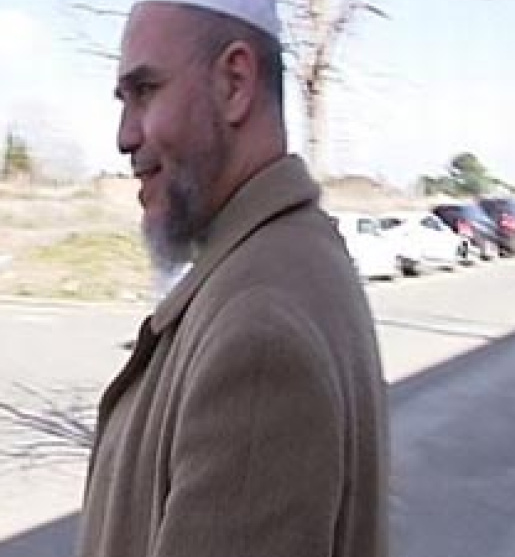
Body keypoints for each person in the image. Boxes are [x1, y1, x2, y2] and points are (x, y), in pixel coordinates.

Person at [76, 1, 388, 557]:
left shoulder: (257, 336)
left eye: (145, 91)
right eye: (124, 101)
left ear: (235, 83)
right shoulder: (288, 258)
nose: (125, 136)